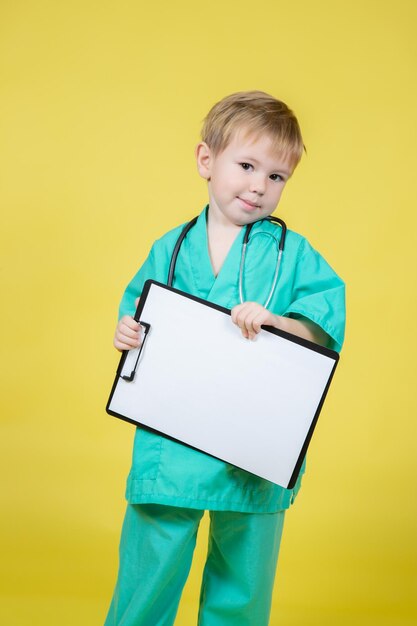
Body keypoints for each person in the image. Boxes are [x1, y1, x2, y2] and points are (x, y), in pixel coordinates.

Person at [104, 91, 345, 626]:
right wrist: (127, 332)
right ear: (206, 161)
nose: (260, 185)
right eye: (246, 166)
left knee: (242, 581)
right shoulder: (171, 247)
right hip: (170, 443)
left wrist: (279, 323)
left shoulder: (294, 253)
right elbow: (138, 312)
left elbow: (324, 322)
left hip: (251, 450)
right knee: (149, 569)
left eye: (278, 176)